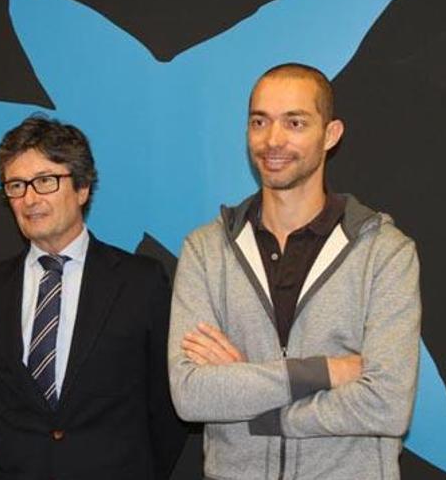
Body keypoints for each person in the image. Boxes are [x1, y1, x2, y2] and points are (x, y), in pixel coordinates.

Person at [168, 63, 421, 479]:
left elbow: (387, 403)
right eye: (259, 122)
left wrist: (264, 410)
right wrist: (327, 372)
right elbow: (192, 395)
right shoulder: (206, 251)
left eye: (295, 122)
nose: (273, 140)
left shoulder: (385, 252)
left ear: (331, 135)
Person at [0, 115, 187, 479]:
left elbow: (166, 402)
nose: (29, 198)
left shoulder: (140, 282)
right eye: (16, 185)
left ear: (82, 188)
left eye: (45, 181)